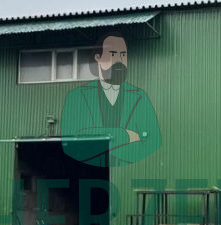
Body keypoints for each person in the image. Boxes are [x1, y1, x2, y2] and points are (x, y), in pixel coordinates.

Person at [61, 33, 161, 167]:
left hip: (127, 172)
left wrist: (104, 148)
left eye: (123, 55)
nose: (119, 60)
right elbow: (71, 145)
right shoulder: (76, 97)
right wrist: (125, 135)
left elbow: (153, 143)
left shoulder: (140, 96)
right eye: (113, 55)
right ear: (98, 58)